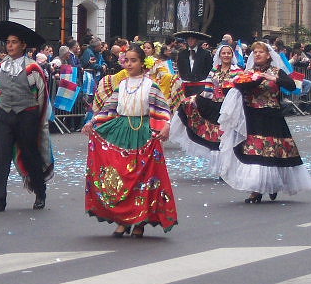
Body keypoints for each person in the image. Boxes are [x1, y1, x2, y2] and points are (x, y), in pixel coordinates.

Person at [84, 47, 177, 238]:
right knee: (120, 175)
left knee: (142, 178)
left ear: (142, 63)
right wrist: (93, 122)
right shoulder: (122, 85)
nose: (129, 64)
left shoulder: (151, 86)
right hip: (121, 130)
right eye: (127, 60)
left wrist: (165, 125)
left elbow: (162, 109)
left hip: (143, 132)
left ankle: (140, 221)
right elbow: (109, 108)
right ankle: (124, 221)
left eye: (133, 60)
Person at [217, 41, 311, 204]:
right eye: (255, 52)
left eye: (260, 52)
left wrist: (274, 78)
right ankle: (256, 190)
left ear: (268, 55)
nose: (257, 54)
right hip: (252, 116)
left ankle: (273, 184)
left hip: (272, 116)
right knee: (255, 153)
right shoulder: (247, 73)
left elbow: (293, 86)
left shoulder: (277, 71)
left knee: (274, 153)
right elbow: (233, 86)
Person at [0, 21, 53, 212]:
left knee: (31, 155)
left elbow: (42, 96)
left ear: (23, 45)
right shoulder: (1, 67)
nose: (9, 45)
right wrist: (4, 107)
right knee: (1, 158)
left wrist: (36, 118)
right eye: (8, 42)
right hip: (5, 115)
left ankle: (40, 192)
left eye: (14, 42)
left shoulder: (33, 68)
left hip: (27, 115)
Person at [168, 43, 238, 174]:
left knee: (229, 137)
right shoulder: (214, 70)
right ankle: (221, 169)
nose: (226, 55)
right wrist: (196, 99)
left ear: (232, 55)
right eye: (224, 53)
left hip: (231, 107)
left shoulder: (238, 71)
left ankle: (229, 168)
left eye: (229, 53)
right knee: (216, 136)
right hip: (215, 105)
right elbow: (208, 88)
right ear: (220, 55)